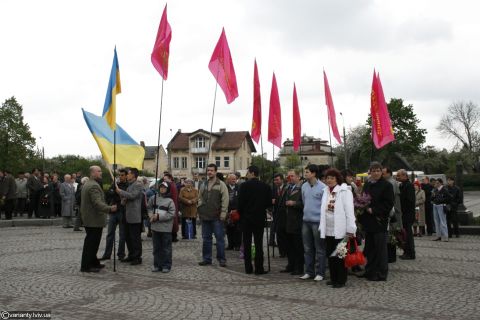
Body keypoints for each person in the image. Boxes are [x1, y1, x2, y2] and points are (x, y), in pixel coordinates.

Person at [319, 168, 357, 288]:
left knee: (340, 255)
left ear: (337, 179)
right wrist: (322, 227)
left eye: (332, 178)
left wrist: (351, 229)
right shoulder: (325, 191)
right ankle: (333, 277)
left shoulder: (345, 191)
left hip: (341, 230)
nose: (329, 180)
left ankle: (341, 280)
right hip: (329, 230)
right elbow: (323, 211)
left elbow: (350, 212)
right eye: (327, 178)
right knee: (331, 255)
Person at [358, 162, 394, 281]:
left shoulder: (386, 185)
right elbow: (363, 197)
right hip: (369, 222)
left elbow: (389, 203)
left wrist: (374, 210)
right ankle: (369, 270)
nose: (376, 173)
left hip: (379, 221)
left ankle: (381, 273)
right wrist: (361, 205)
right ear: (370, 172)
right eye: (373, 171)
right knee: (369, 248)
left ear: (381, 172)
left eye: (378, 170)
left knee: (380, 249)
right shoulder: (367, 184)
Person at [80, 166, 117, 272]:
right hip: (93, 220)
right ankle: (86, 266)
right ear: (92, 173)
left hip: (90, 219)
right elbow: (97, 203)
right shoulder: (93, 186)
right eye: (99, 171)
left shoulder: (89, 183)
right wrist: (110, 208)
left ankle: (93, 262)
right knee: (91, 243)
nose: (101, 173)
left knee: (93, 243)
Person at [237, 165, 272, 275]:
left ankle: (248, 268)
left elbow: (240, 204)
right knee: (258, 243)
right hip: (259, 218)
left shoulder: (243, 186)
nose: (246, 175)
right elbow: (268, 203)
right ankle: (259, 268)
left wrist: (242, 214)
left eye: (248, 173)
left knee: (247, 243)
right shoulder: (266, 186)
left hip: (246, 219)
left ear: (252, 173)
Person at [197, 163, 229, 267]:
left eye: (211, 170)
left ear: (215, 171)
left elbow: (225, 199)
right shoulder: (204, 184)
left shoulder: (221, 184)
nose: (209, 172)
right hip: (205, 216)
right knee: (206, 239)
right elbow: (200, 197)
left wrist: (223, 213)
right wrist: (200, 207)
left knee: (219, 239)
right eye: (208, 170)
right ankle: (207, 259)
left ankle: (222, 259)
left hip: (217, 216)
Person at [300, 164, 327, 281]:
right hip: (306, 221)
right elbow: (304, 201)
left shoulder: (323, 187)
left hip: (317, 221)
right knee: (307, 248)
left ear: (314, 173)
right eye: (305, 172)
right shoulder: (304, 186)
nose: (305, 174)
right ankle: (309, 271)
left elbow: (325, 205)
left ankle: (320, 272)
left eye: (307, 172)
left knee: (319, 249)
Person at [116, 168, 144, 265]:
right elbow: (126, 198)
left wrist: (120, 192)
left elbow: (132, 196)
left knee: (135, 237)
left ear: (133, 175)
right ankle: (131, 255)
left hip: (134, 215)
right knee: (128, 237)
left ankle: (137, 257)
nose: (127, 175)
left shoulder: (138, 185)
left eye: (128, 174)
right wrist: (123, 200)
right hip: (127, 214)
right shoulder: (129, 185)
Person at [100, 169, 128, 260]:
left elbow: (126, 196)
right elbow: (108, 194)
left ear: (126, 176)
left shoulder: (128, 185)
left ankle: (121, 254)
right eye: (120, 175)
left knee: (122, 234)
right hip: (113, 211)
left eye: (122, 175)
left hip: (122, 211)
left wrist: (119, 193)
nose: (120, 176)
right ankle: (107, 254)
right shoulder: (115, 184)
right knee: (110, 234)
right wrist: (114, 192)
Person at [148, 182, 176, 273]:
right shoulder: (153, 198)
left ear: (167, 189)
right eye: (161, 187)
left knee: (166, 248)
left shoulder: (170, 201)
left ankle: (166, 265)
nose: (162, 189)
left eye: (164, 187)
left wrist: (159, 217)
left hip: (165, 228)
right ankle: (157, 265)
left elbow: (171, 214)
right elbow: (149, 208)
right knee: (157, 248)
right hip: (155, 228)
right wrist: (151, 215)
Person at [284, 169, 304, 276]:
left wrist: (294, 203)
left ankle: (299, 267)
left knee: (298, 247)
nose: (290, 178)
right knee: (289, 246)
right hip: (288, 221)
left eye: (292, 176)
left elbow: (305, 203)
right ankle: (290, 265)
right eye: (288, 176)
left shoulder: (302, 188)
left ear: (298, 177)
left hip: (297, 220)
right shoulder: (287, 188)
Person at [397, 169, 416, 260]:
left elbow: (409, 201)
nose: (397, 177)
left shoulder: (409, 186)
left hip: (407, 214)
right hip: (404, 214)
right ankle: (406, 251)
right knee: (405, 234)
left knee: (408, 235)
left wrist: (402, 209)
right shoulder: (402, 185)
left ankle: (410, 253)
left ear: (405, 176)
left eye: (399, 175)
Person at [272, 173, 287, 257]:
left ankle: (286, 250)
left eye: (277, 180)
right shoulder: (274, 189)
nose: (276, 182)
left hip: (285, 214)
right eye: (274, 180)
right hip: (276, 214)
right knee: (279, 233)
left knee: (285, 233)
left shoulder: (286, 188)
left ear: (282, 179)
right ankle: (282, 252)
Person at [226, 174, 241, 250]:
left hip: (237, 211)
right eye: (232, 179)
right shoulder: (225, 188)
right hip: (228, 211)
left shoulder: (239, 187)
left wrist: (237, 209)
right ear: (228, 180)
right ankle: (230, 244)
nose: (234, 180)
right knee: (229, 229)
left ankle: (237, 245)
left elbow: (241, 200)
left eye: (235, 179)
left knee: (237, 229)